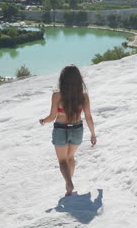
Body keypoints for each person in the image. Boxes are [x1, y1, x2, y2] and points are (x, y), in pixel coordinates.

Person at [39, 65, 97, 196]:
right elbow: (88, 117)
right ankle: (68, 184)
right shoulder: (83, 96)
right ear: (78, 80)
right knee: (70, 158)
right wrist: (93, 134)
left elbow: (52, 116)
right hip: (77, 130)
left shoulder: (57, 96)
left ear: (63, 79)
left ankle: (69, 184)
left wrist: (43, 120)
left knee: (62, 161)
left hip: (60, 130)